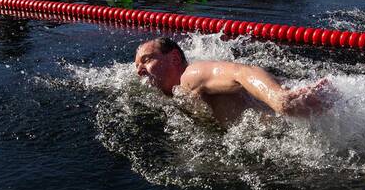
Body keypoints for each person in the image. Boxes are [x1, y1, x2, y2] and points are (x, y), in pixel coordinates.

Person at [134, 37, 331, 125]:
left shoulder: (190, 76)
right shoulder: (176, 93)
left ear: (175, 59)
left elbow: (241, 71)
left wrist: (279, 98)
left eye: (146, 60)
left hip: (294, 122)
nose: (139, 71)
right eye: (136, 66)